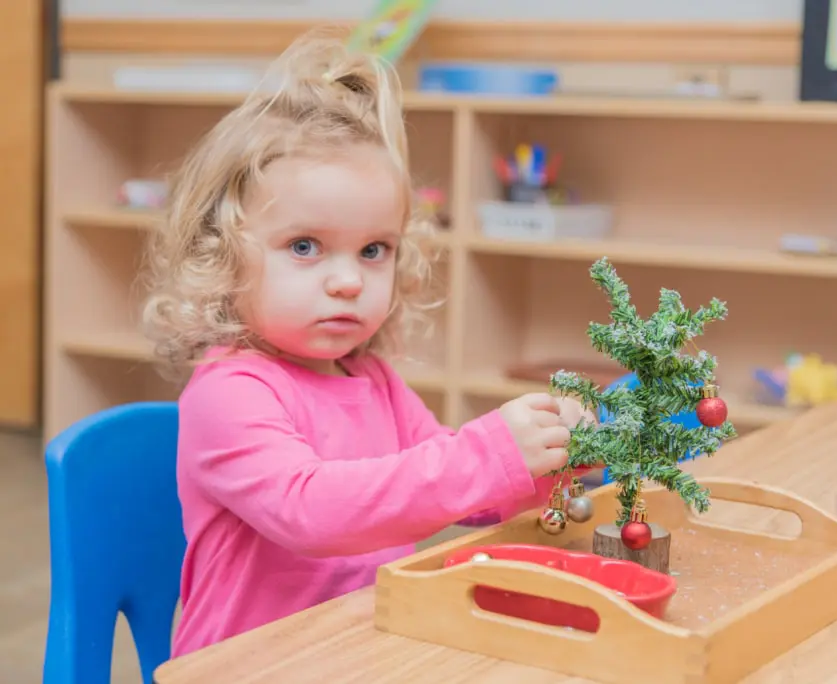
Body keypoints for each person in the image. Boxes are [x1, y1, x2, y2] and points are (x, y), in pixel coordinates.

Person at [142, 31, 594, 657]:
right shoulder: (229, 392)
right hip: (250, 666)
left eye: (373, 249)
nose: (349, 279)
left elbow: (455, 490)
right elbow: (310, 511)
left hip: (359, 651)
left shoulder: (371, 380)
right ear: (221, 256)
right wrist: (489, 454)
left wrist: (545, 464)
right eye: (305, 247)